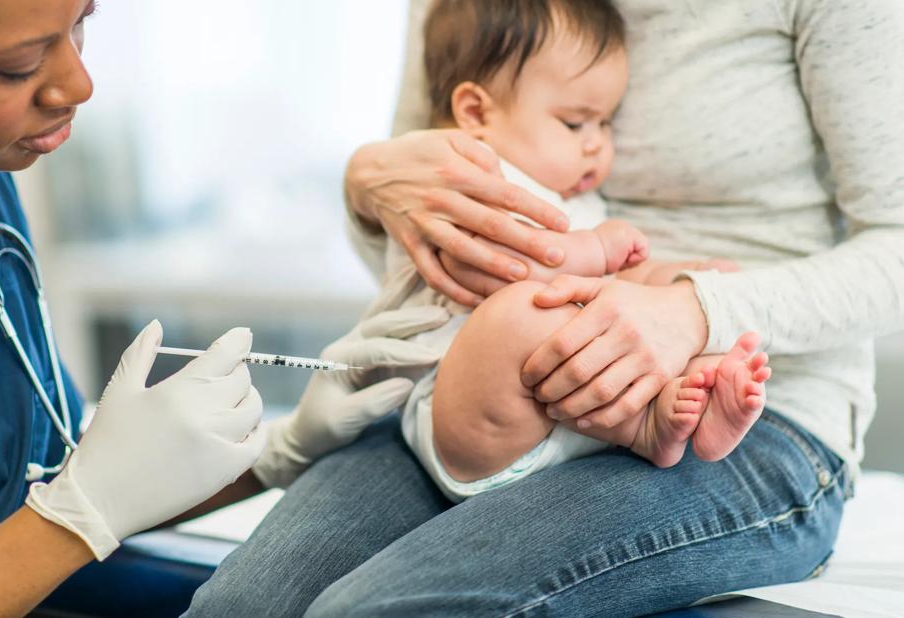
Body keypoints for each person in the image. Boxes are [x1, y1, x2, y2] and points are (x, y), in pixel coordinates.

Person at [188, 0, 904, 614]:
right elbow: (420, 250)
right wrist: (365, 189)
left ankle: (663, 415)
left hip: (756, 401)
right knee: (241, 608)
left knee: (374, 611)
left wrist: (693, 307)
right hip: (472, 387)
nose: (600, 147)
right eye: (577, 124)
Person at [0, 2, 448, 615]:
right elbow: (66, 513)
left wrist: (278, 450)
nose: (77, 84)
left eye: (83, 22)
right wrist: (84, 514)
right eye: (19, 66)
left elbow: (37, 488)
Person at [369, 0, 770, 503]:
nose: (596, 145)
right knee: (515, 315)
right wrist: (597, 250)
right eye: (575, 123)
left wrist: (680, 278)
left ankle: (693, 399)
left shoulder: (572, 196)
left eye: (605, 124)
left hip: (572, 408)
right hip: (465, 411)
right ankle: (643, 427)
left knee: (660, 308)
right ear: (476, 112)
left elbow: (614, 285)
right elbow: (488, 269)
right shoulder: (461, 173)